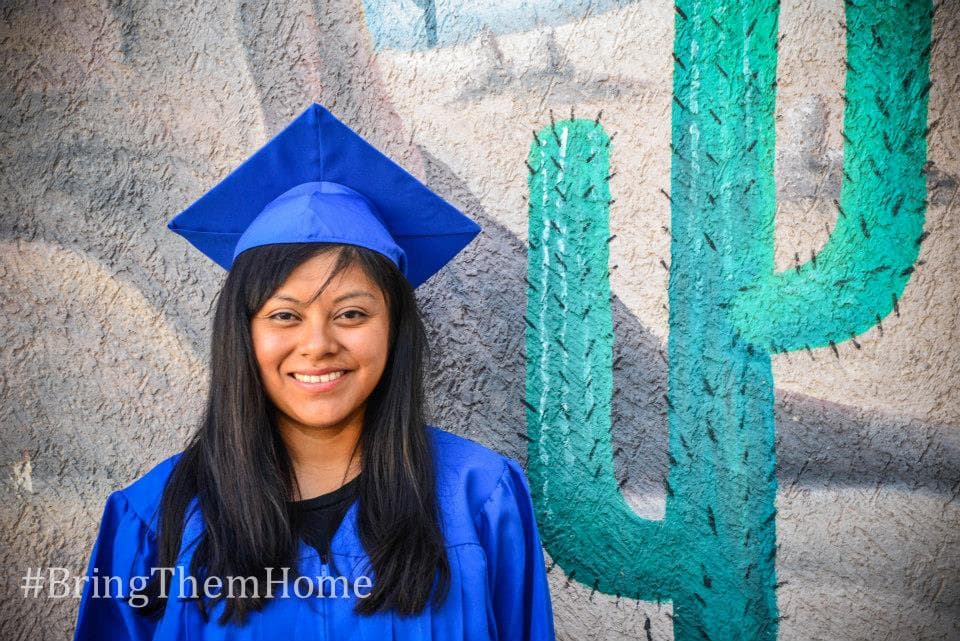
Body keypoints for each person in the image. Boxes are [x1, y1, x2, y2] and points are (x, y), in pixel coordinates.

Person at [72, 104, 556, 640]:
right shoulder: (152, 519)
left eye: (351, 314)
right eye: (285, 315)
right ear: (242, 332)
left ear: (395, 328)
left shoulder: (481, 497)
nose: (318, 345)